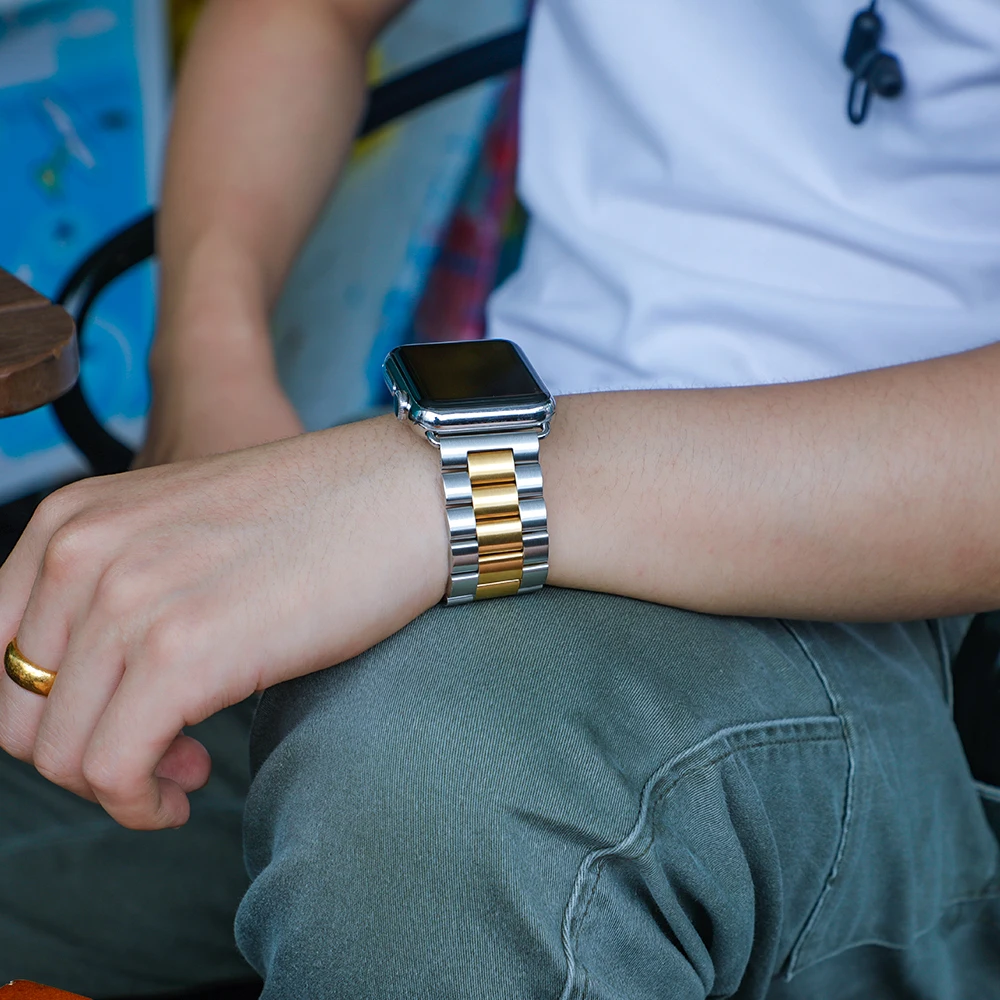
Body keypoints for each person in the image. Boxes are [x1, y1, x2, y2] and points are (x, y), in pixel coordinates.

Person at [2, 0, 999, 996]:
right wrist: (206, 360)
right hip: (485, 463)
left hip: (888, 578)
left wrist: (439, 490)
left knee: (432, 789)